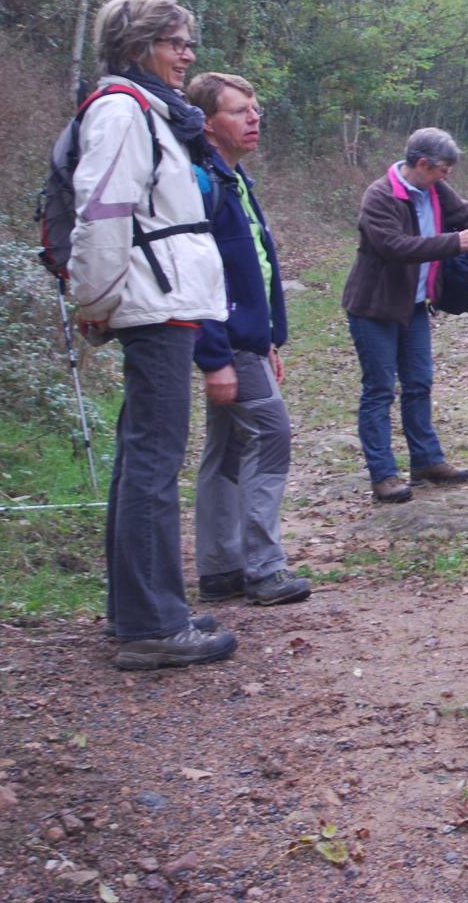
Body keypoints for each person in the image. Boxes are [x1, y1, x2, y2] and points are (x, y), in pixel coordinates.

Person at [68, 0, 235, 670]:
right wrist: (97, 298)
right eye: (175, 42)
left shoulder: (151, 110)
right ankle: (150, 624)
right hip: (151, 302)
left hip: (161, 298)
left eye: (188, 41)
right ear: (138, 47)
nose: (187, 55)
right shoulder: (121, 110)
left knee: (145, 455)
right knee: (154, 461)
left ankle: (139, 607)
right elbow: (102, 211)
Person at [182, 72, 308, 607]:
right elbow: (196, 275)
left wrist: (268, 339)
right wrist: (215, 355)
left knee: (228, 447)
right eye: (238, 111)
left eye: (255, 109)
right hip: (226, 341)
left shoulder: (235, 180)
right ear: (208, 124)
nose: (254, 118)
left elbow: (252, 267)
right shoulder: (200, 182)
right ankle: (264, 567)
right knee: (271, 435)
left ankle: (220, 567)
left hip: (245, 341)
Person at [342, 128, 468, 504]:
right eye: (444, 169)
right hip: (374, 307)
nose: (448, 176)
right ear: (422, 164)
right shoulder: (380, 196)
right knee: (379, 390)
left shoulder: (436, 189)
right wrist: (453, 243)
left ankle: (426, 461)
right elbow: (395, 247)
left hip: (414, 307)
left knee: (419, 383)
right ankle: (384, 474)